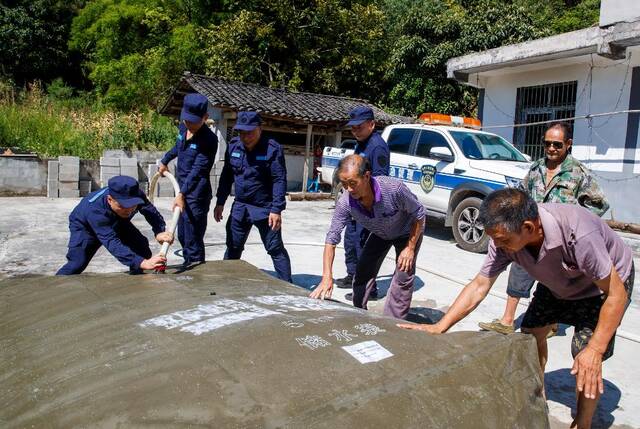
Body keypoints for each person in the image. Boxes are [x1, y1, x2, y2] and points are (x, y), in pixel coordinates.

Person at [399, 188, 634, 429]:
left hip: (603, 288)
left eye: (503, 240)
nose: (497, 245)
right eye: (494, 239)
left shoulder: (579, 233)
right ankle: (538, 398)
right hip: (557, 283)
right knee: (529, 337)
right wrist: (440, 326)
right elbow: (480, 284)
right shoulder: (503, 240)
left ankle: (582, 423)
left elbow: (617, 294)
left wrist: (595, 349)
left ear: (529, 228)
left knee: (585, 355)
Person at [479, 122, 609, 335]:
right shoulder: (536, 168)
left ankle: (552, 322)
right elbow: (521, 194)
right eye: (547, 144)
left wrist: (578, 223)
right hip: (530, 232)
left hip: (560, 238)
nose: (551, 149)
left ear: (568, 144)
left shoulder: (578, 172)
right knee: (518, 269)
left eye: (557, 145)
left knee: (556, 282)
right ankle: (507, 319)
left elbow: (598, 204)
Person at [311, 154, 425, 319]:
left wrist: (410, 248)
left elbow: (419, 214)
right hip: (380, 232)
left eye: (352, 183)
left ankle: (392, 324)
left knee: (403, 274)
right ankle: (358, 315)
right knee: (363, 270)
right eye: (344, 184)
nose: (349, 189)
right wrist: (326, 276)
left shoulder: (393, 189)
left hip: (408, 231)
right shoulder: (346, 202)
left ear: (366, 176)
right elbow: (332, 237)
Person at [214, 111, 292, 282]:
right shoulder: (234, 146)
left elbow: (279, 180)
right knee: (233, 246)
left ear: (260, 129)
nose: (245, 137)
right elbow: (227, 176)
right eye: (242, 132)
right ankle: (228, 282)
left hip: (265, 208)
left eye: (249, 132)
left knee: (275, 249)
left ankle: (289, 286)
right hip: (240, 206)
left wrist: (276, 209)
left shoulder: (272, 149)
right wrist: (220, 202)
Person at [57, 176, 172, 275]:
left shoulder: (135, 194)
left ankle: (137, 280)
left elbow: (149, 210)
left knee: (141, 249)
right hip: (85, 227)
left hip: (117, 219)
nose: (128, 210)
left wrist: (159, 231)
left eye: (132, 206)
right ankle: (55, 286)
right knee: (77, 263)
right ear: (110, 199)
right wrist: (142, 263)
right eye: (123, 206)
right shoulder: (94, 210)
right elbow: (111, 241)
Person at [336, 106, 390, 303]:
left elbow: (380, 181)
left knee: (363, 246)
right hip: (354, 202)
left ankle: (369, 288)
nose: (355, 131)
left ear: (372, 124)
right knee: (350, 241)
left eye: (359, 127)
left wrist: (369, 208)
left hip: (366, 206)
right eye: (353, 128)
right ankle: (353, 275)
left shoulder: (377, 147)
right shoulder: (361, 144)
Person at [158, 93, 218, 269]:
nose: (188, 124)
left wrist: (182, 194)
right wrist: (165, 160)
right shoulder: (183, 128)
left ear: (205, 118)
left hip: (196, 193)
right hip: (182, 190)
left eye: (193, 121)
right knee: (183, 234)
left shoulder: (209, 140)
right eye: (186, 120)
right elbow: (177, 147)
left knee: (193, 235)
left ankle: (196, 268)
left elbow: (198, 171)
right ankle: (188, 263)